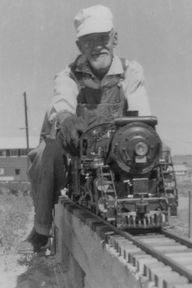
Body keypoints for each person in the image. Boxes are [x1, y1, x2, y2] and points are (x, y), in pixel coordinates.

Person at [19, 4, 151, 253]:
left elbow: (141, 115)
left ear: (114, 38)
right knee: (45, 153)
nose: (97, 45)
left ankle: (141, 208)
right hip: (77, 151)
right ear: (80, 46)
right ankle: (40, 229)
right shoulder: (68, 75)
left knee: (151, 144)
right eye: (88, 41)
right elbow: (62, 101)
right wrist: (67, 119)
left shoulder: (130, 71)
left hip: (116, 149)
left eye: (102, 38)